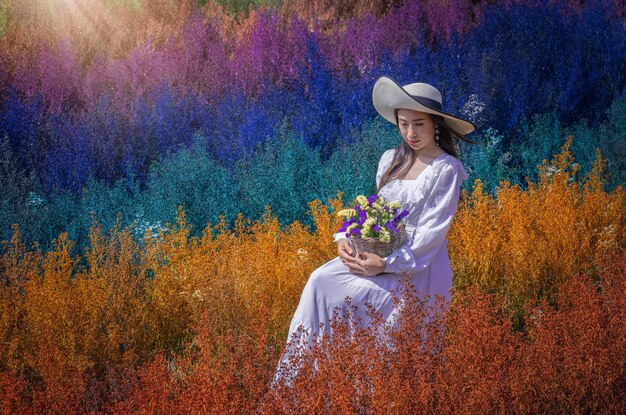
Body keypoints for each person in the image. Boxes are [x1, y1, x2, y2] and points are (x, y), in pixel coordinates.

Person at [272, 75, 477, 386]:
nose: (410, 133)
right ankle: (306, 383)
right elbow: (373, 210)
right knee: (319, 280)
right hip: (377, 254)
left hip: (417, 266)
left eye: (419, 124)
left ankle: (367, 390)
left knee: (379, 324)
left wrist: (387, 264)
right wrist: (345, 238)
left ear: (436, 123)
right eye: (403, 123)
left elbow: (431, 235)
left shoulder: (445, 169)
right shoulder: (391, 160)